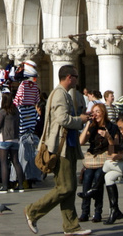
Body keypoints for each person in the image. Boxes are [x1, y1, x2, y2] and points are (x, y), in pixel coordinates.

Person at [24, 64, 91, 236]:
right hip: (60, 148)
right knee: (65, 187)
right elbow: (62, 119)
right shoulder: (60, 94)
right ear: (69, 77)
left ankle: (71, 226)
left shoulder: (64, 94)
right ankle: (33, 211)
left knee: (70, 187)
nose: (77, 78)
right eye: (75, 75)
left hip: (67, 146)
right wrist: (80, 120)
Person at [77, 103, 118, 222]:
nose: (95, 114)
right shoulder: (92, 126)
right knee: (87, 177)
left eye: (98, 112)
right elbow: (81, 141)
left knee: (97, 179)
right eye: (93, 112)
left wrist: (108, 136)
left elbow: (114, 147)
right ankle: (85, 211)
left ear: (103, 113)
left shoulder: (111, 127)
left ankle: (97, 212)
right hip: (92, 158)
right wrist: (88, 125)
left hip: (104, 158)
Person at [0, 92, 25, 195]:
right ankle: (21, 186)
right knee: (16, 161)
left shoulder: (3, 112)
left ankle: (5, 187)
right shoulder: (16, 111)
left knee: (3, 162)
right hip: (15, 139)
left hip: (4, 139)